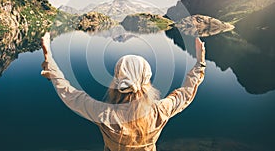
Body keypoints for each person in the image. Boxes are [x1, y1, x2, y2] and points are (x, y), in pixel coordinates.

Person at [41, 32, 206, 151]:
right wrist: (200, 63)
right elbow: (185, 93)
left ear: (116, 81)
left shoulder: (103, 114)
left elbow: (69, 94)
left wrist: (49, 58)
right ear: (146, 81)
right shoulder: (159, 111)